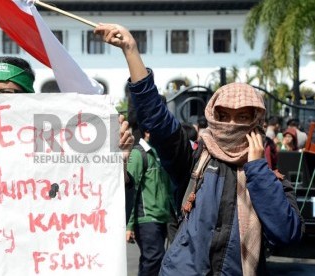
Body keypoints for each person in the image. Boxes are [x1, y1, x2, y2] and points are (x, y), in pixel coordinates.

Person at [94, 23, 303, 275]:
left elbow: (286, 233)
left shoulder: (270, 179)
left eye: (243, 116)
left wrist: (257, 169)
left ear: (255, 121)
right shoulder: (195, 162)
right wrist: (131, 50)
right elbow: (157, 118)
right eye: (223, 116)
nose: (232, 124)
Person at [0, 56, 134, 182]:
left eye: (6, 92)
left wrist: (119, 167)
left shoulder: (55, 139)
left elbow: (90, 191)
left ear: (26, 95)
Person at [126, 128, 173, 276]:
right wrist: (129, 224)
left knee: (154, 260)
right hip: (146, 218)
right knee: (154, 257)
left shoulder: (158, 153)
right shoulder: (138, 154)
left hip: (161, 217)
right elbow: (130, 191)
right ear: (147, 132)